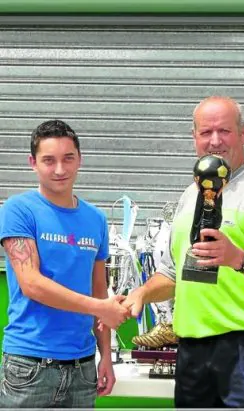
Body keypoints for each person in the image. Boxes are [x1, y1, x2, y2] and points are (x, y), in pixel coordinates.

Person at [122, 96, 244, 408]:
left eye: (224, 131)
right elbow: (174, 272)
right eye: (206, 132)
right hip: (193, 349)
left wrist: (239, 259)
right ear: (194, 138)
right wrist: (142, 293)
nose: (214, 141)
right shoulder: (190, 195)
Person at [0, 119, 129, 408]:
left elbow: (99, 289)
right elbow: (31, 284)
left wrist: (105, 355)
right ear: (33, 163)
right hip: (30, 366)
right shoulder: (18, 210)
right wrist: (101, 308)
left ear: (79, 160)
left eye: (68, 158)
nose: (60, 170)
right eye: (49, 160)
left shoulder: (95, 219)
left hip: (82, 367)